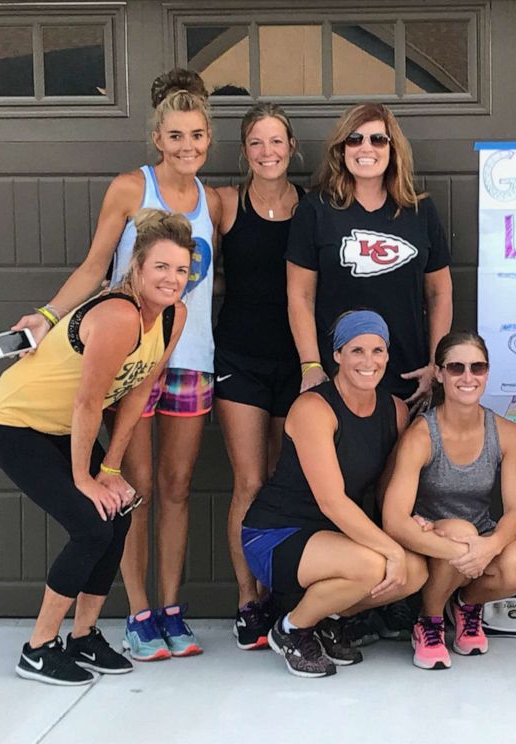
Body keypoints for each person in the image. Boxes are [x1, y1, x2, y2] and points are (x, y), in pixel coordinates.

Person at [10, 68, 222, 660]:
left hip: (193, 356)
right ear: (158, 138)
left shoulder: (216, 200)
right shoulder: (131, 188)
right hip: (133, 360)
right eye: (177, 136)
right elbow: (94, 267)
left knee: (178, 487)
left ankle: (171, 611)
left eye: (198, 136)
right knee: (137, 487)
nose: (188, 147)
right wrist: (48, 316)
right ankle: (136, 612)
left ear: (210, 138)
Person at [0, 209, 191, 685]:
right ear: (136, 268)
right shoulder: (118, 314)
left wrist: (112, 469)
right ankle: (37, 648)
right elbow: (88, 402)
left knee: (117, 514)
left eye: (181, 270)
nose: (172, 279)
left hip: (60, 428)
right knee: (92, 527)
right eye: (161, 267)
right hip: (14, 424)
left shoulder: (175, 314)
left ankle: (84, 637)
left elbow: (139, 388)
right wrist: (83, 480)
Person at [241, 310, 428, 678]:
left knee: (417, 570)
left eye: (378, 350)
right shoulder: (314, 407)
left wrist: (410, 522)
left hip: (337, 539)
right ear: (338, 355)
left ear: (388, 355)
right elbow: (332, 500)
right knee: (376, 565)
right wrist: (389, 549)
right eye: (356, 350)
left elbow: (387, 489)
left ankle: (327, 620)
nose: (369, 361)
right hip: (278, 535)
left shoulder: (395, 410)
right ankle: (292, 629)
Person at [381, 331, 516, 670]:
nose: (468, 377)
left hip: (477, 537)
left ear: (487, 372)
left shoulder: (506, 432)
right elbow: (393, 519)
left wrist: (490, 546)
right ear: (438, 373)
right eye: (456, 368)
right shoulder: (422, 434)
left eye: (477, 367)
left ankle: (464, 605)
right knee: (462, 532)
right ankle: (429, 621)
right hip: (428, 537)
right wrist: (466, 550)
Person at [286, 102, 452, 407]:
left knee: (403, 455)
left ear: (393, 149)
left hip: (407, 377)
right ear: (341, 149)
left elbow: (439, 292)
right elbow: (300, 295)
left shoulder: (420, 210)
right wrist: (310, 366)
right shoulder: (315, 209)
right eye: (355, 139)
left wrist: (435, 365)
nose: (366, 147)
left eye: (378, 139)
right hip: (337, 375)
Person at [213, 103, 305, 650]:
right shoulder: (224, 203)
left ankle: (283, 594)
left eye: (276, 142)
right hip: (240, 358)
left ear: (291, 146)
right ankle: (249, 600)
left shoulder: (313, 207)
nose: (267, 153)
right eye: (256, 143)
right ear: (244, 151)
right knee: (249, 481)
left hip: (297, 362)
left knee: (282, 480)